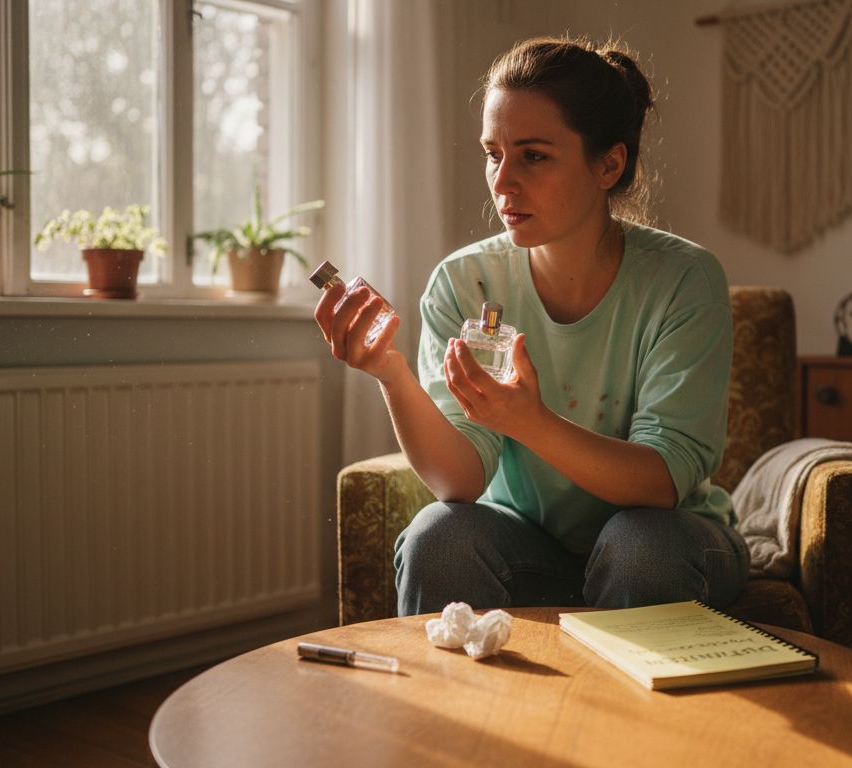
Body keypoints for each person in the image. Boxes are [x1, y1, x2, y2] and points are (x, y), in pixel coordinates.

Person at [315, 36, 748, 616]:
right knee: (438, 536)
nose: (502, 182)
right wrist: (391, 374)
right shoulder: (464, 283)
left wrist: (531, 422)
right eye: (492, 154)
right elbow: (460, 482)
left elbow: (661, 481)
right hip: (529, 544)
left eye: (533, 156)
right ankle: (451, 684)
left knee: (639, 548)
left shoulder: (683, 279)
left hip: (670, 535)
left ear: (609, 164)